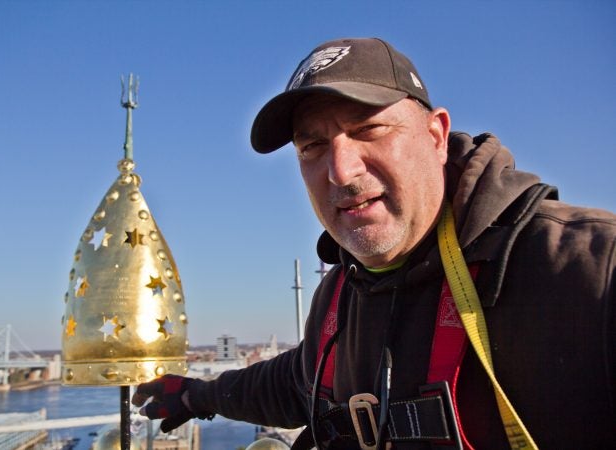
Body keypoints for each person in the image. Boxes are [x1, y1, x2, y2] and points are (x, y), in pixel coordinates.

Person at [132, 37, 616, 449]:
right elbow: (299, 383)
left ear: (436, 136)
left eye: (369, 129)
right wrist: (198, 395)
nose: (341, 171)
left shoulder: (587, 268)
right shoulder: (342, 291)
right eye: (312, 147)